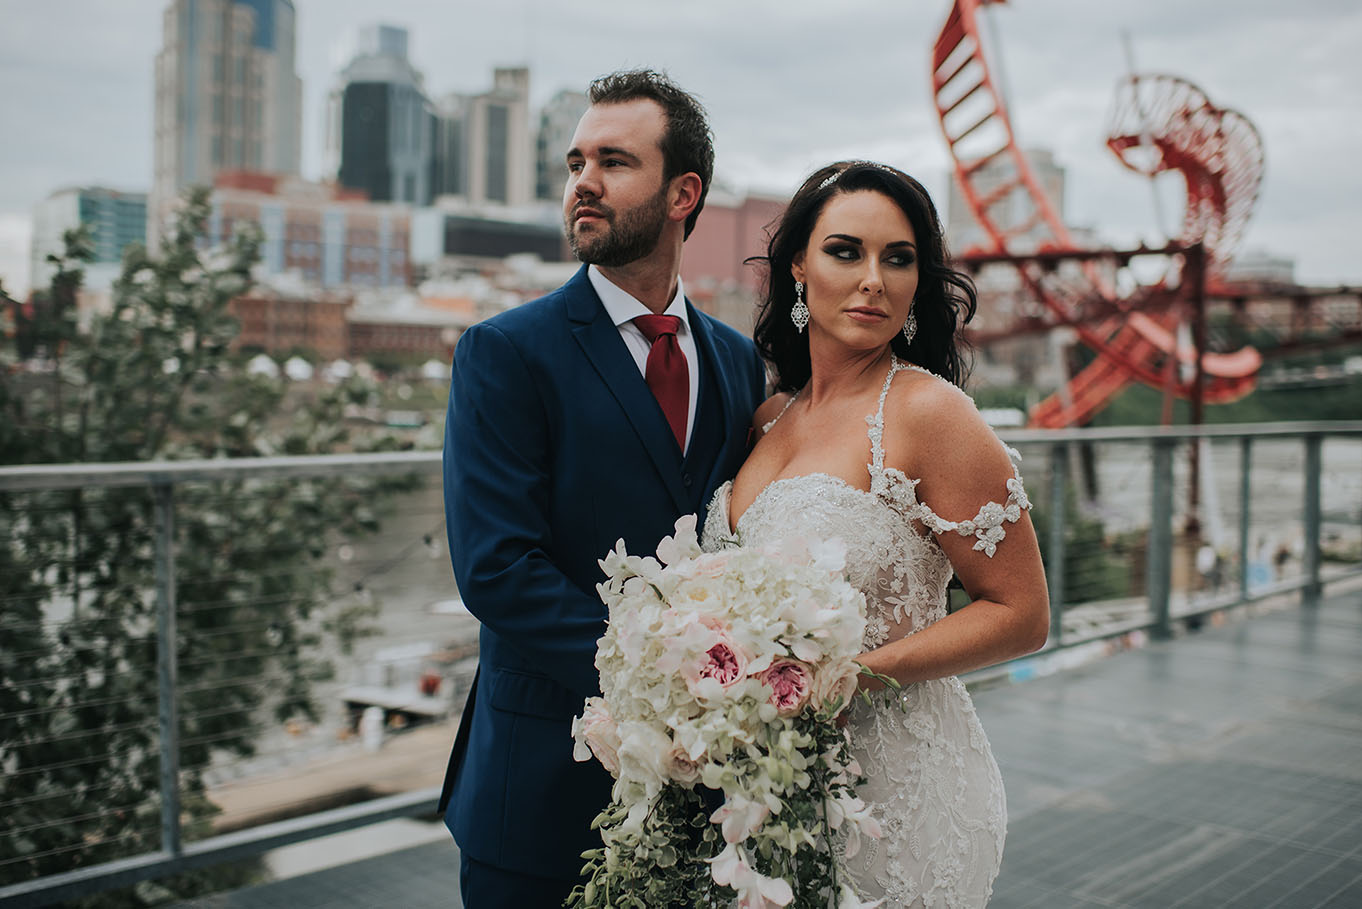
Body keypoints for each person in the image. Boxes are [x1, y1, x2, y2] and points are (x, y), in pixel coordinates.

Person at [438, 70, 766, 907]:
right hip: (542, 787)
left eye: (613, 161)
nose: (583, 182)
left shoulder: (736, 360)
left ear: (684, 192)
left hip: (702, 804)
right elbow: (498, 569)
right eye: (576, 162)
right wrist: (672, 684)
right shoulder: (506, 352)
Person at [700, 161, 1050, 907]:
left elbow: (1021, 613)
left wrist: (853, 674)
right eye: (846, 251)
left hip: (896, 798)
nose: (874, 280)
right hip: (768, 791)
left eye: (899, 259)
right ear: (799, 265)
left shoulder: (930, 414)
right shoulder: (769, 420)